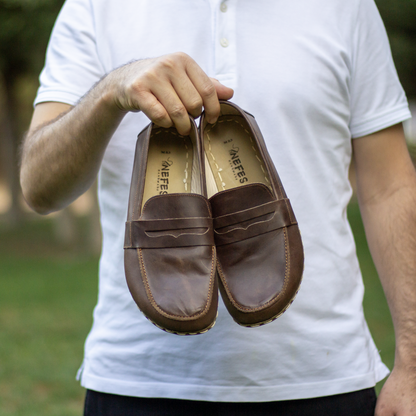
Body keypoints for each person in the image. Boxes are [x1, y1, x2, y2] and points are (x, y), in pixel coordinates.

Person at [20, 0, 416, 415]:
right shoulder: (94, 6)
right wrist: (111, 91)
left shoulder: (347, 6)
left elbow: (388, 187)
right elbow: (39, 188)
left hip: (325, 379)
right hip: (139, 382)